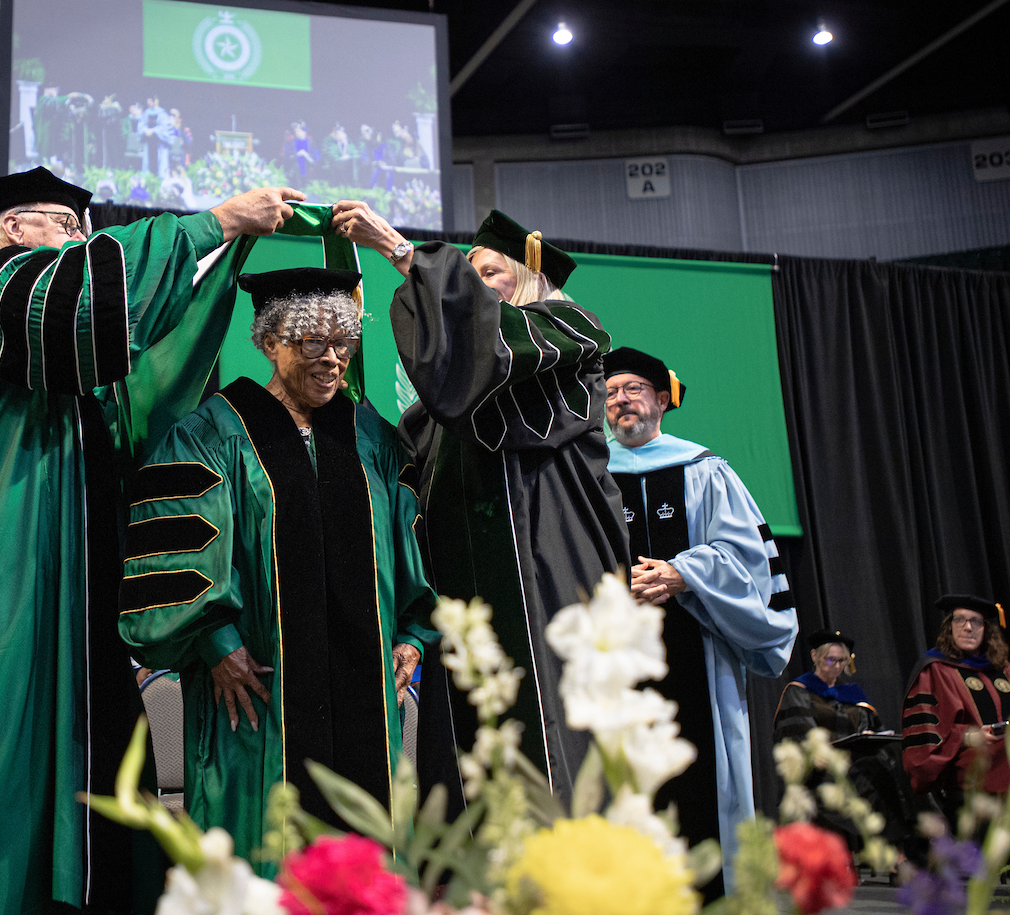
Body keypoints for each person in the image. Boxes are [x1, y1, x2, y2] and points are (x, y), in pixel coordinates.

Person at [0, 166, 304, 914]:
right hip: (4, 572)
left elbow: (138, 360)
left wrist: (224, 254)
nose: (85, 241)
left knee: (83, 761)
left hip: (75, 579)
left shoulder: (58, 345)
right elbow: (90, 300)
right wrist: (215, 222)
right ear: (15, 229)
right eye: (68, 228)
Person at [118, 267, 438, 873]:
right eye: (313, 342)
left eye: (343, 342)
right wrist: (216, 642)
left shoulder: (368, 434)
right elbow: (174, 547)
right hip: (257, 688)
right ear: (268, 341)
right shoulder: (213, 431)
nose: (333, 360)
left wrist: (413, 639)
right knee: (262, 847)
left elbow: (409, 547)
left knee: (366, 847)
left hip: (364, 694)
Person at [332, 202, 630, 804]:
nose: (472, 288)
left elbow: (491, 349)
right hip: (464, 592)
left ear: (528, 278)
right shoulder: (450, 408)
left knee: (548, 733)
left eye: (489, 275)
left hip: (547, 569)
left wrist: (400, 250)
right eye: (468, 275)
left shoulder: (569, 334)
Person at [602, 345, 797, 894]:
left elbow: (747, 560)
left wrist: (684, 572)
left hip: (698, 651)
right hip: (618, 659)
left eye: (634, 389)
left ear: (662, 400)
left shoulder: (704, 469)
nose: (621, 402)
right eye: (612, 393)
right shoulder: (589, 475)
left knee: (702, 789)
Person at [774, 630, 915, 852]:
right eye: (831, 660)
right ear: (814, 657)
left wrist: (870, 736)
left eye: (842, 661)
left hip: (860, 763)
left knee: (895, 770)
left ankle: (908, 844)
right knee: (868, 782)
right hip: (822, 772)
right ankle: (896, 852)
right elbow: (801, 736)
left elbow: (874, 728)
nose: (837, 666)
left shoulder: (852, 693)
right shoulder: (799, 691)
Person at [903, 594, 1010, 806]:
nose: (968, 627)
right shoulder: (935, 670)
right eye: (960, 620)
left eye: (976, 621)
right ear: (949, 626)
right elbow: (924, 740)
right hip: (970, 781)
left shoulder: (1003, 669)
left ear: (986, 629)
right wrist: (968, 737)